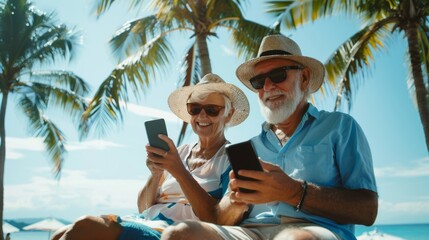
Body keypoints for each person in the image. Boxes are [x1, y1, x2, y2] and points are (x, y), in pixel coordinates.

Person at [161, 35, 378, 240]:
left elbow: (368, 210)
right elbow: (220, 219)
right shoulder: (251, 147)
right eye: (258, 81)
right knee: (178, 234)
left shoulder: (339, 126)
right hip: (251, 231)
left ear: (304, 78)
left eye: (278, 75)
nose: (267, 87)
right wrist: (236, 202)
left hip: (313, 231)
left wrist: (294, 192)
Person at [50, 73, 250, 240]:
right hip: (148, 221)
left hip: (175, 230)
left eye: (212, 110)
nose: (202, 116)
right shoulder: (179, 152)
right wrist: (156, 174)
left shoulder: (232, 158)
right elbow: (143, 207)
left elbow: (216, 217)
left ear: (229, 114)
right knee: (59, 234)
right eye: (195, 109)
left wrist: (178, 171)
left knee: (84, 227)